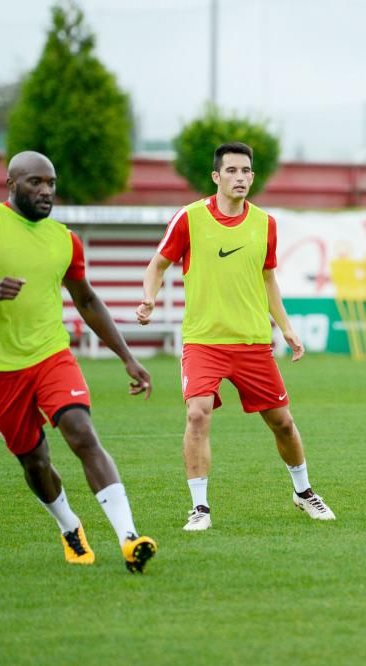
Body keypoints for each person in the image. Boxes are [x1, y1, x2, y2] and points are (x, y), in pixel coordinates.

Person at [0, 151, 157, 573]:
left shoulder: (64, 239)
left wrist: (127, 356)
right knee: (34, 461)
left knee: (82, 433)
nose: (46, 191)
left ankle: (129, 538)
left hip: (51, 355)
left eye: (51, 183)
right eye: (35, 182)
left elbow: (86, 299)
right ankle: (70, 526)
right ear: (11, 184)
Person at [137, 141, 335, 530]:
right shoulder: (190, 218)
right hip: (203, 341)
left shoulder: (265, 224)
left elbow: (267, 279)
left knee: (282, 423)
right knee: (197, 414)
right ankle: (200, 508)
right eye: (232, 171)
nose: (240, 177)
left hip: (253, 343)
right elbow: (157, 265)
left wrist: (287, 328)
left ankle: (303, 491)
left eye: (246, 171)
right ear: (216, 176)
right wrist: (149, 299)